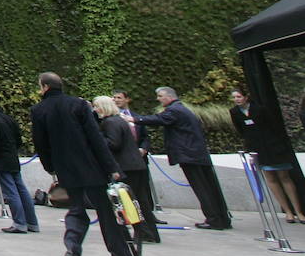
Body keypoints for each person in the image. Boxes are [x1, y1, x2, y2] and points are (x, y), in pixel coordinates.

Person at [31, 72, 145, 256]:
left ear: (45, 87)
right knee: (108, 215)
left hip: (66, 168)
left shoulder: (39, 110)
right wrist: (112, 168)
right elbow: (96, 139)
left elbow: (41, 143)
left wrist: (51, 167)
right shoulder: (79, 105)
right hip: (91, 167)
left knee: (76, 208)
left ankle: (73, 246)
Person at [130, 86, 231, 230]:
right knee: (210, 187)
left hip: (190, 155)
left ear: (169, 96)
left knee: (202, 188)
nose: (158, 99)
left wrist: (134, 119)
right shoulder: (182, 109)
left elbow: (158, 119)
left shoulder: (174, 110)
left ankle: (214, 219)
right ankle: (221, 218)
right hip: (197, 154)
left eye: (160, 96)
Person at [230, 88, 304, 223]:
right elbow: (241, 130)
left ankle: (298, 211)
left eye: (239, 96)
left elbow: (273, 126)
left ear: (246, 97)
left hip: (273, 146)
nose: (236, 100)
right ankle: (287, 211)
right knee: (270, 178)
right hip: (257, 148)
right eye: (234, 98)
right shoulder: (234, 112)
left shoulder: (260, 109)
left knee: (284, 176)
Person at [92, 96, 155, 243]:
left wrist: (97, 137)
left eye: (97, 106)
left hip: (126, 167)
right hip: (135, 165)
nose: (95, 110)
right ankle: (148, 232)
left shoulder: (110, 122)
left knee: (130, 202)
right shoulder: (118, 120)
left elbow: (113, 144)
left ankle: (143, 232)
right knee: (140, 201)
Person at [0, 92, 39, 234]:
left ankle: (19, 222)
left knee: (11, 190)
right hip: (12, 156)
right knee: (21, 188)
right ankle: (32, 222)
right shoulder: (7, 118)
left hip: (1, 158)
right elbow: (18, 138)